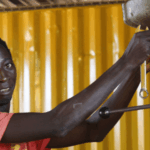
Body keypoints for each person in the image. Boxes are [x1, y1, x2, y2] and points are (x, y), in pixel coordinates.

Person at [0, 30, 149, 150]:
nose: (3, 77)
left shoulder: (23, 133)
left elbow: (95, 130)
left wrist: (134, 74)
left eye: (7, 65)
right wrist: (127, 61)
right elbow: (59, 123)